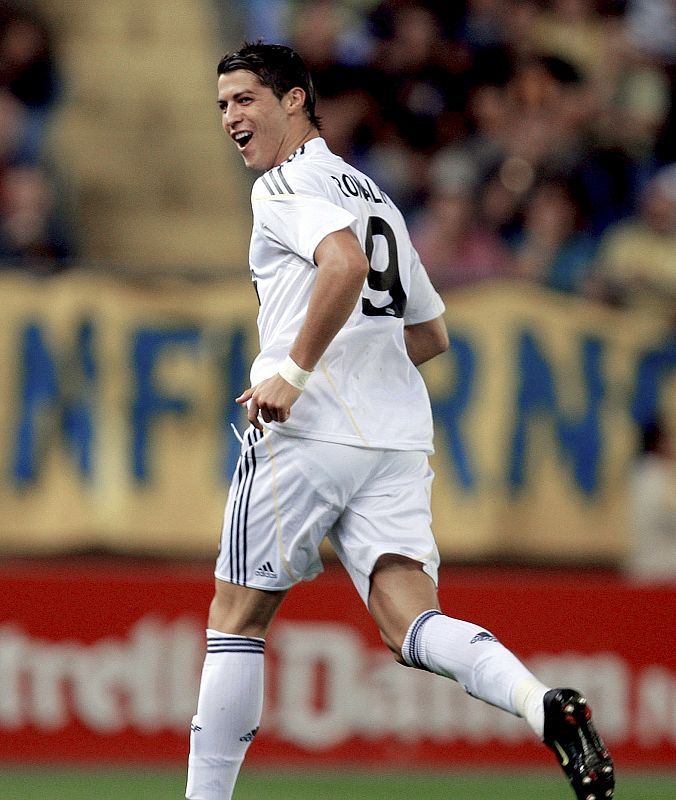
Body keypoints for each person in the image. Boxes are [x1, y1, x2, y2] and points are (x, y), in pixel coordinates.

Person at [185, 42, 615, 800]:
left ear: (294, 100)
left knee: (236, 618)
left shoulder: (287, 184)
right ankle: (539, 702)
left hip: (308, 428)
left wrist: (295, 371)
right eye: (223, 104)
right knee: (410, 623)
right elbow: (431, 332)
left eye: (245, 99)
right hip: (392, 438)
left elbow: (344, 267)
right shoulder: (373, 193)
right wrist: (359, 366)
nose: (231, 118)